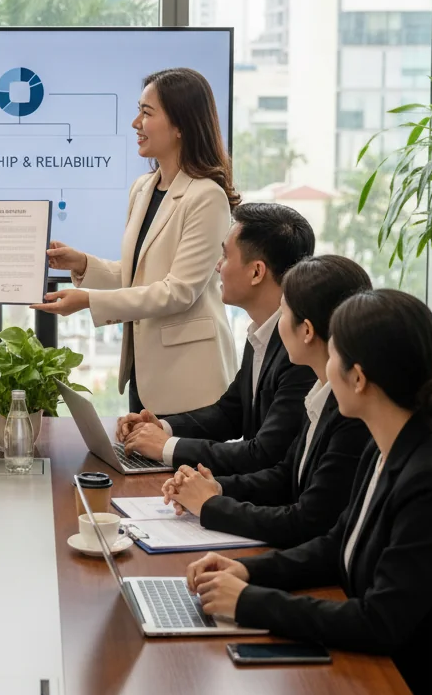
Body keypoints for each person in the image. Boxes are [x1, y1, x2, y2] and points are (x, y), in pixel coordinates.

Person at [186, 290, 432, 695]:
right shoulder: (387, 442)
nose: (325, 369)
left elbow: (379, 622)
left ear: (357, 378)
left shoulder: (431, 482)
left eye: (333, 355)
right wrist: (247, 570)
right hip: (387, 671)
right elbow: (335, 544)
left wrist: (248, 602)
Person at [32, 68, 238, 415]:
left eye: (146, 113)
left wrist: (88, 300)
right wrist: (83, 264)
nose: (135, 123)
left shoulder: (207, 197)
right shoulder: (143, 188)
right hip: (145, 377)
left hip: (191, 382)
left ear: (180, 126)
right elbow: (138, 275)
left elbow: (179, 291)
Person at [163, 256, 372, 548]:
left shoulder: (350, 415)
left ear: (308, 331)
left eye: (283, 312)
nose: (277, 324)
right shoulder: (320, 393)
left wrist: (211, 505)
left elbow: (306, 522)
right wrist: (215, 488)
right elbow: (285, 476)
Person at [117, 202, 317, 474]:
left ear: (256, 272)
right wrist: (161, 427)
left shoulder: (301, 352)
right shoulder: (261, 332)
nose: (217, 267)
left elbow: (264, 454)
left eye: (224, 256)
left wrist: (166, 447)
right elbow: (229, 413)